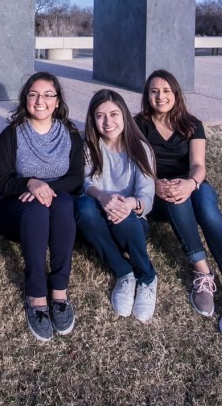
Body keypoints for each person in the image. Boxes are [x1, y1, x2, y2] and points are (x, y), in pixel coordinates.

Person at [135, 69, 222, 342]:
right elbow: (137, 164)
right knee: (175, 198)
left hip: (194, 185)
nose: (160, 96)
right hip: (159, 193)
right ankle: (203, 273)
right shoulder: (138, 124)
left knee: (208, 211)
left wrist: (190, 184)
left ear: (176, 93)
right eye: (154, 91)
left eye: (166, 91)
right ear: (147, 95)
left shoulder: (191, 124)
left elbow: (198, 166)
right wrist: (155, 184)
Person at [0, 71, 84, 343]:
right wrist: (30, 184)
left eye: (47, 95)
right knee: (35, 209)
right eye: (33, 95)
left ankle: (59, 291)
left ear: (57, 101)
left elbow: (76, 179)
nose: (40, 100)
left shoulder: (70, 134)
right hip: (16, 211)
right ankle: (36, 295)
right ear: (25, 100)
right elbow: (0, 181)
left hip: (57, 208)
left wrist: (47, 189)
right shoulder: (12, 134)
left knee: (64, 201)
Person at [75, 89, 157, 322]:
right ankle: (124, 272)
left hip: (132, 222)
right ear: (93, 119)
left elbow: (147, 198)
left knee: (126, 216)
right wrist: (102, 197)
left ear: (124, 116)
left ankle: (147, 276)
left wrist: (130, 203)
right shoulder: (90, 146)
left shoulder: (141, 148)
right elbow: (87, 182)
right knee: (83, 208)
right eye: (100, 116)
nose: (108, 121)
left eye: (114, 114)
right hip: (99, 215)